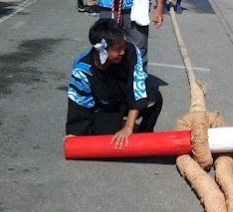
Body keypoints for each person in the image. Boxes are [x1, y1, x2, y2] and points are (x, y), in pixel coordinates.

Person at [66, 19, 162, 148]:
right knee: (96, 133)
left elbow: (137, 89)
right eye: (117, 49)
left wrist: (128, 127)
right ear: (102, 51)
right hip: (103, 106)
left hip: (126, 99)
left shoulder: (130, 51)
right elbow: (79, 102)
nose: (122, 51)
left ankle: (144, 132)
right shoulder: (83, 68)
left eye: (123, 46)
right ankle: (114, 124)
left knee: (155, 97)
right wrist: (74, 133)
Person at [97, 0, 165, 71]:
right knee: (105, 47)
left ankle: (137, 79)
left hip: (137, 7)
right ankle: (105, 78)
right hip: (108, 6)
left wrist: (159, 6)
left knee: (138, 51)